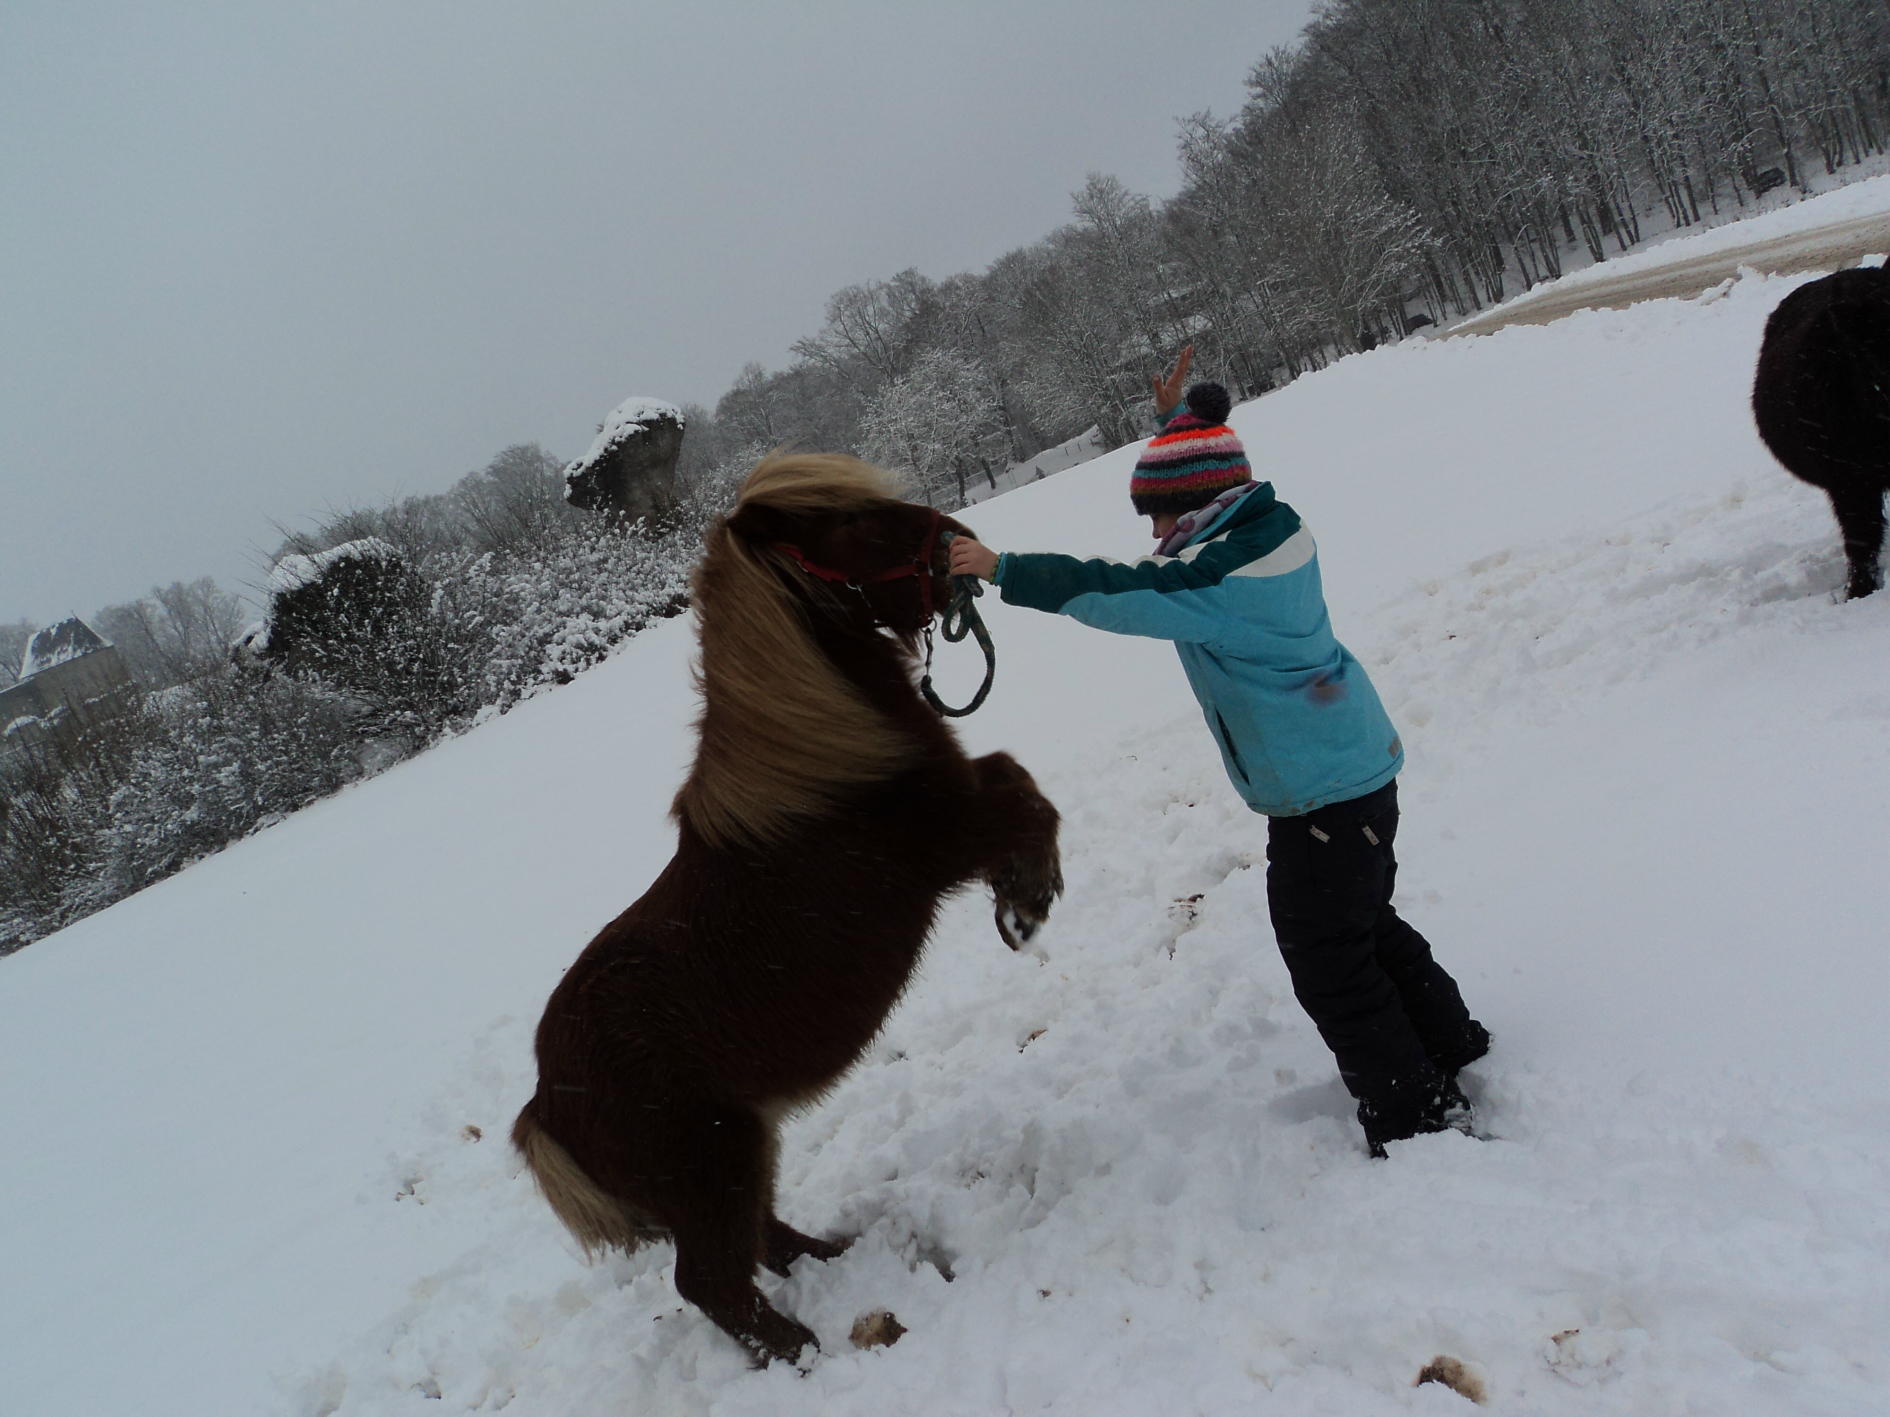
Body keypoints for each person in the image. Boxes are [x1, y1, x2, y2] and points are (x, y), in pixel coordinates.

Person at [946, 348, 1490, 1157]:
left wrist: (1004, 568)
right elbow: (1202, 499)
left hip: (1322, 798)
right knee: (1365, 924)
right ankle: (1453, 1044)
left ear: (1204, 508)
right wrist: (1180, 425)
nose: (1159, 535)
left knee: (1330, 960)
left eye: (1164, 518)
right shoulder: (1271, 525)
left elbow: (1122, 590)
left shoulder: (1222, 583)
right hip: (1350, 773)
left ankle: (1418, 1117)